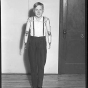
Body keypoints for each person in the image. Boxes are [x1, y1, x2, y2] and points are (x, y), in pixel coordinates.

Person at [24, 2, 52, 88]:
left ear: (43, 10)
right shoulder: (30, 20)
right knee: (33, 66)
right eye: (36, 9)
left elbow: (49, 33)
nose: (38, 11)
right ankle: (34, 86)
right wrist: (25, 43)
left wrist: (49, 42)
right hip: (32, 42)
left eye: (40, 9)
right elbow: (26, 33)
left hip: (42, 42)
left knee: (41, 66)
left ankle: (40, 86)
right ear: (33, 10)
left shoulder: (46, 20)